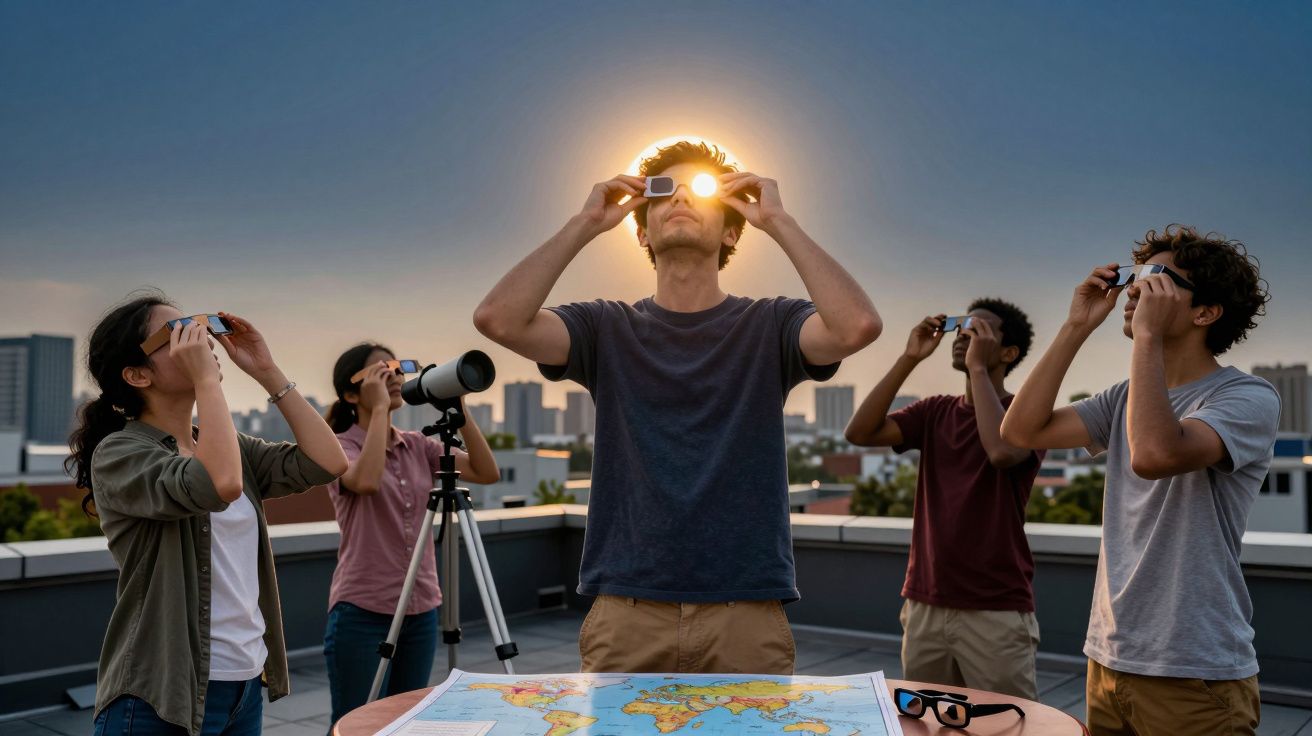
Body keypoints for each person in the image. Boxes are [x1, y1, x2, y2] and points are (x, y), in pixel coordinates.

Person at [474, 140, 881, 674]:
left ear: (732, 229)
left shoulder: (772, 324)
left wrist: (779, 221)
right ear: (641, 231)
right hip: (627, 607)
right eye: (663, 191)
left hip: (746, 608)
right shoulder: (605, 327)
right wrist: (584, 223)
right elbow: (498, 319)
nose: (681, 198)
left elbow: (857, 326)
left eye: (702, 191)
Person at [1001, 226, 1277, 735]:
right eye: (1135, 277)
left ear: (1205, 312)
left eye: (1156, 278)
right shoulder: (1125, 396)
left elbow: (1154, 453)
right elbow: (1020, 431)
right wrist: (1075, 326)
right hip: (1109, 657)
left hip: (1194, 672)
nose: (1133, 290)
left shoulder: (1248, 398)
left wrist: (1146, 337)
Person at [68, 295, 348, 736]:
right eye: (176, 333)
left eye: (194, 326)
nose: (198, 339)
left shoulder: (224, 444)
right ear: (138, 374)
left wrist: (265, 371)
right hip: (159, 698)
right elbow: (219, 484)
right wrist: (206, 381)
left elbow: (328, 463)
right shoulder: (119, 453)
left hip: (243, 684)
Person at [845, 298, 1043, 698]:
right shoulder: (935, 412)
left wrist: (976, 369)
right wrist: (910, 357)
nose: (963, 337)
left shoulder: (1025, 415)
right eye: (962, 328)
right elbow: (860, 432)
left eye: (979, 331)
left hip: (996, 609)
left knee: (1009, 725)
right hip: (925, 602)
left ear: (1008, 353)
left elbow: (1001, 452)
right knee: (926, 724)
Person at [321, 343, 499, 727]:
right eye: (382, 372)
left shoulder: (418, 445)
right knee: (357, 723)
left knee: (405, 721)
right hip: (362, 611)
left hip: (420, 609)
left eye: (398, 369)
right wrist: (381, 410)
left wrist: (459, 408)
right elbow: (365, 482)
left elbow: (487, 473)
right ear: (352, 394)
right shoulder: (338, 447)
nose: (396, 377)